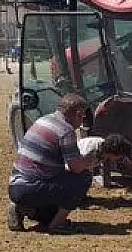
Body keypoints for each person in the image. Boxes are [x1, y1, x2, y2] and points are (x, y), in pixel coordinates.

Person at [7, 93, 97, 233]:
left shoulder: (43, 120)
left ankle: (22, 207)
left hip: (16, 185)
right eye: (82, 116)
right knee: (83, 178)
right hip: (33, 186)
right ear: (78, 114)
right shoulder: (65, 130)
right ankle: (58, 224)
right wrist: (89, 161)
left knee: (50, 214)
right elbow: (76, 168)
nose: (82, 121)